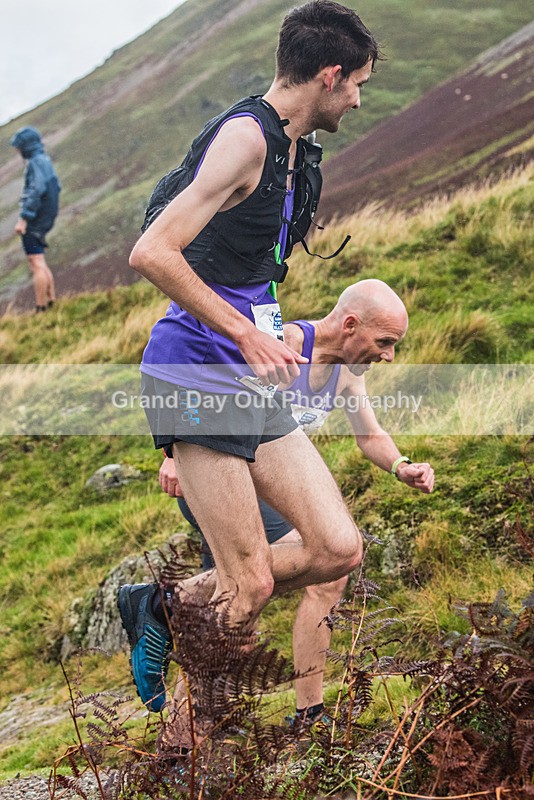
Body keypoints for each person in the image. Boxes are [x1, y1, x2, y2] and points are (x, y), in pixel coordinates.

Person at [121, 0, 381, 741]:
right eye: (357, 82)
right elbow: (152, 251)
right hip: (195, 374)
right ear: (328, 74)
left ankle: (165, 603)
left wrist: (282, 334)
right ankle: (178, 756)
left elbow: (244, 272)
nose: (359, 99)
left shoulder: (299, 154)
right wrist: (243, 332)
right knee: (251, 584)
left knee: (337, 547)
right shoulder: (246, 139)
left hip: (245, 376)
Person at [119, 280, 435, 733]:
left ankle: (304, 710)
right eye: (384, 342)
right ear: (350, 325)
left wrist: (401, 465)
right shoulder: (283, 341)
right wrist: (174, 455)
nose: (388, 355)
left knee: (312, 575)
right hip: (221, 477)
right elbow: (212, 384)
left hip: (270, 489)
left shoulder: (347, 374)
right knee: (246, 590)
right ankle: (182, 736)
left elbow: (369, 434)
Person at [10, 126, 61, 313]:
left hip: (35, 221)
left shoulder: (34, 163)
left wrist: (24, 218)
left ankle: (41, 307)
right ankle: (51, 301)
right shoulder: (44, 161)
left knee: (36, 263)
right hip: (44, 219)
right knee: (40, 260)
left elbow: (35, 191)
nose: (17, 151)